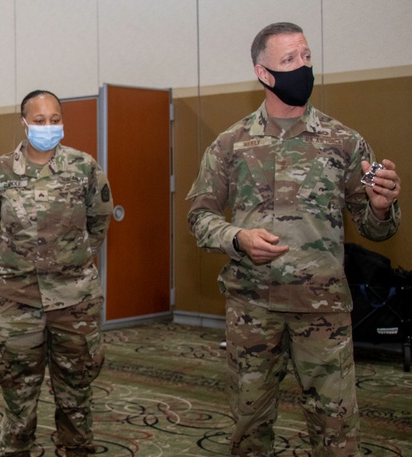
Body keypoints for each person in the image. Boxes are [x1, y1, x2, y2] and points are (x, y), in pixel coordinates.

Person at [186, 22, 401, 456]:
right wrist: (238, 237)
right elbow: (199, 216)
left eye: (305, 57)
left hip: (322, 311)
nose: (302, 68)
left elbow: (377, 228)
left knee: (336, 431)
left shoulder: (344, 142)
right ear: (263, 73)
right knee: (250, 430)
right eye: (288, 60)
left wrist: (381, 205)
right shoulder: (230, 144)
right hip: (252, 308)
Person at [0, 90, 113, 457]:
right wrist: (18, 263)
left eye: (54, 120)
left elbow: (98, 222)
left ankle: (76, 447)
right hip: (17, 302)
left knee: (76, 389)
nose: (48, 127)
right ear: (23, 122)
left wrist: (71, 261)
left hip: (74, 302)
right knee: (18, 390)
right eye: (39, 120)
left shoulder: (85, 168)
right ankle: (17, 449)